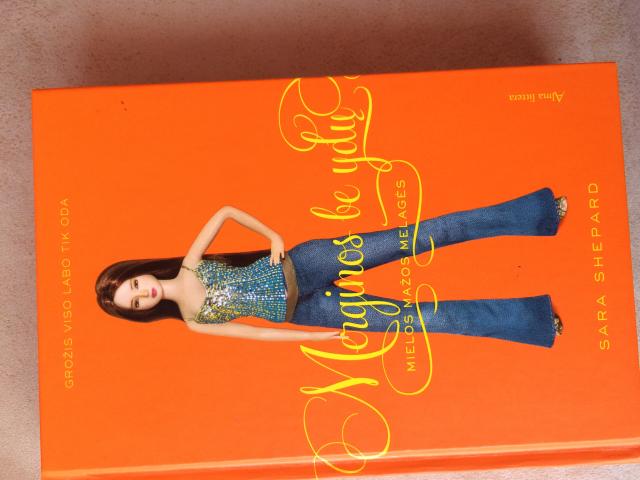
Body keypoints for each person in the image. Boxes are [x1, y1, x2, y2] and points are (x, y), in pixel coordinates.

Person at [95, 188, 567, 348]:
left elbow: (224, 213)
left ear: (140, 271)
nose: (143, 293)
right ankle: (536, 321)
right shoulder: (195, 322)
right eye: (134, 302)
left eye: (134, 285)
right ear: (141, 313)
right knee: (421, 320)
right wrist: (314, 338)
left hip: (307, 262)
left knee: (421, 235)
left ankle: (539, 212)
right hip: (307, 314)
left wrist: (271, 236)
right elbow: (257, 334)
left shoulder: (191, 266)